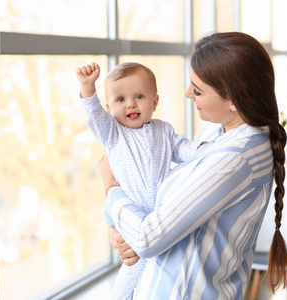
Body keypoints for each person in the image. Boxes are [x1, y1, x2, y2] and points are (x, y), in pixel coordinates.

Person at [98, 31, 287, 300]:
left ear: (234, 99)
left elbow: (148, 238)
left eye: (198, 90)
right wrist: (120, 234)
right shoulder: (218, 133)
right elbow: (151, 231)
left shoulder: (234, 158)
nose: (187, 94)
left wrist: (110, 187)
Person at [76, 62, 201, 300]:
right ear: (109, 107)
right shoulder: (113, 133)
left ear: (154, 102)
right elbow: (93, 115)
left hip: (159, 215)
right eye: (120, 99)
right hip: (129, 215)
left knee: (156, 268)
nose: (131, 104)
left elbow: (184, 149)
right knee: (132, 267)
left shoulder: (164, 130)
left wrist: (204, 150)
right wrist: (87, 87)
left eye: (139, 96)